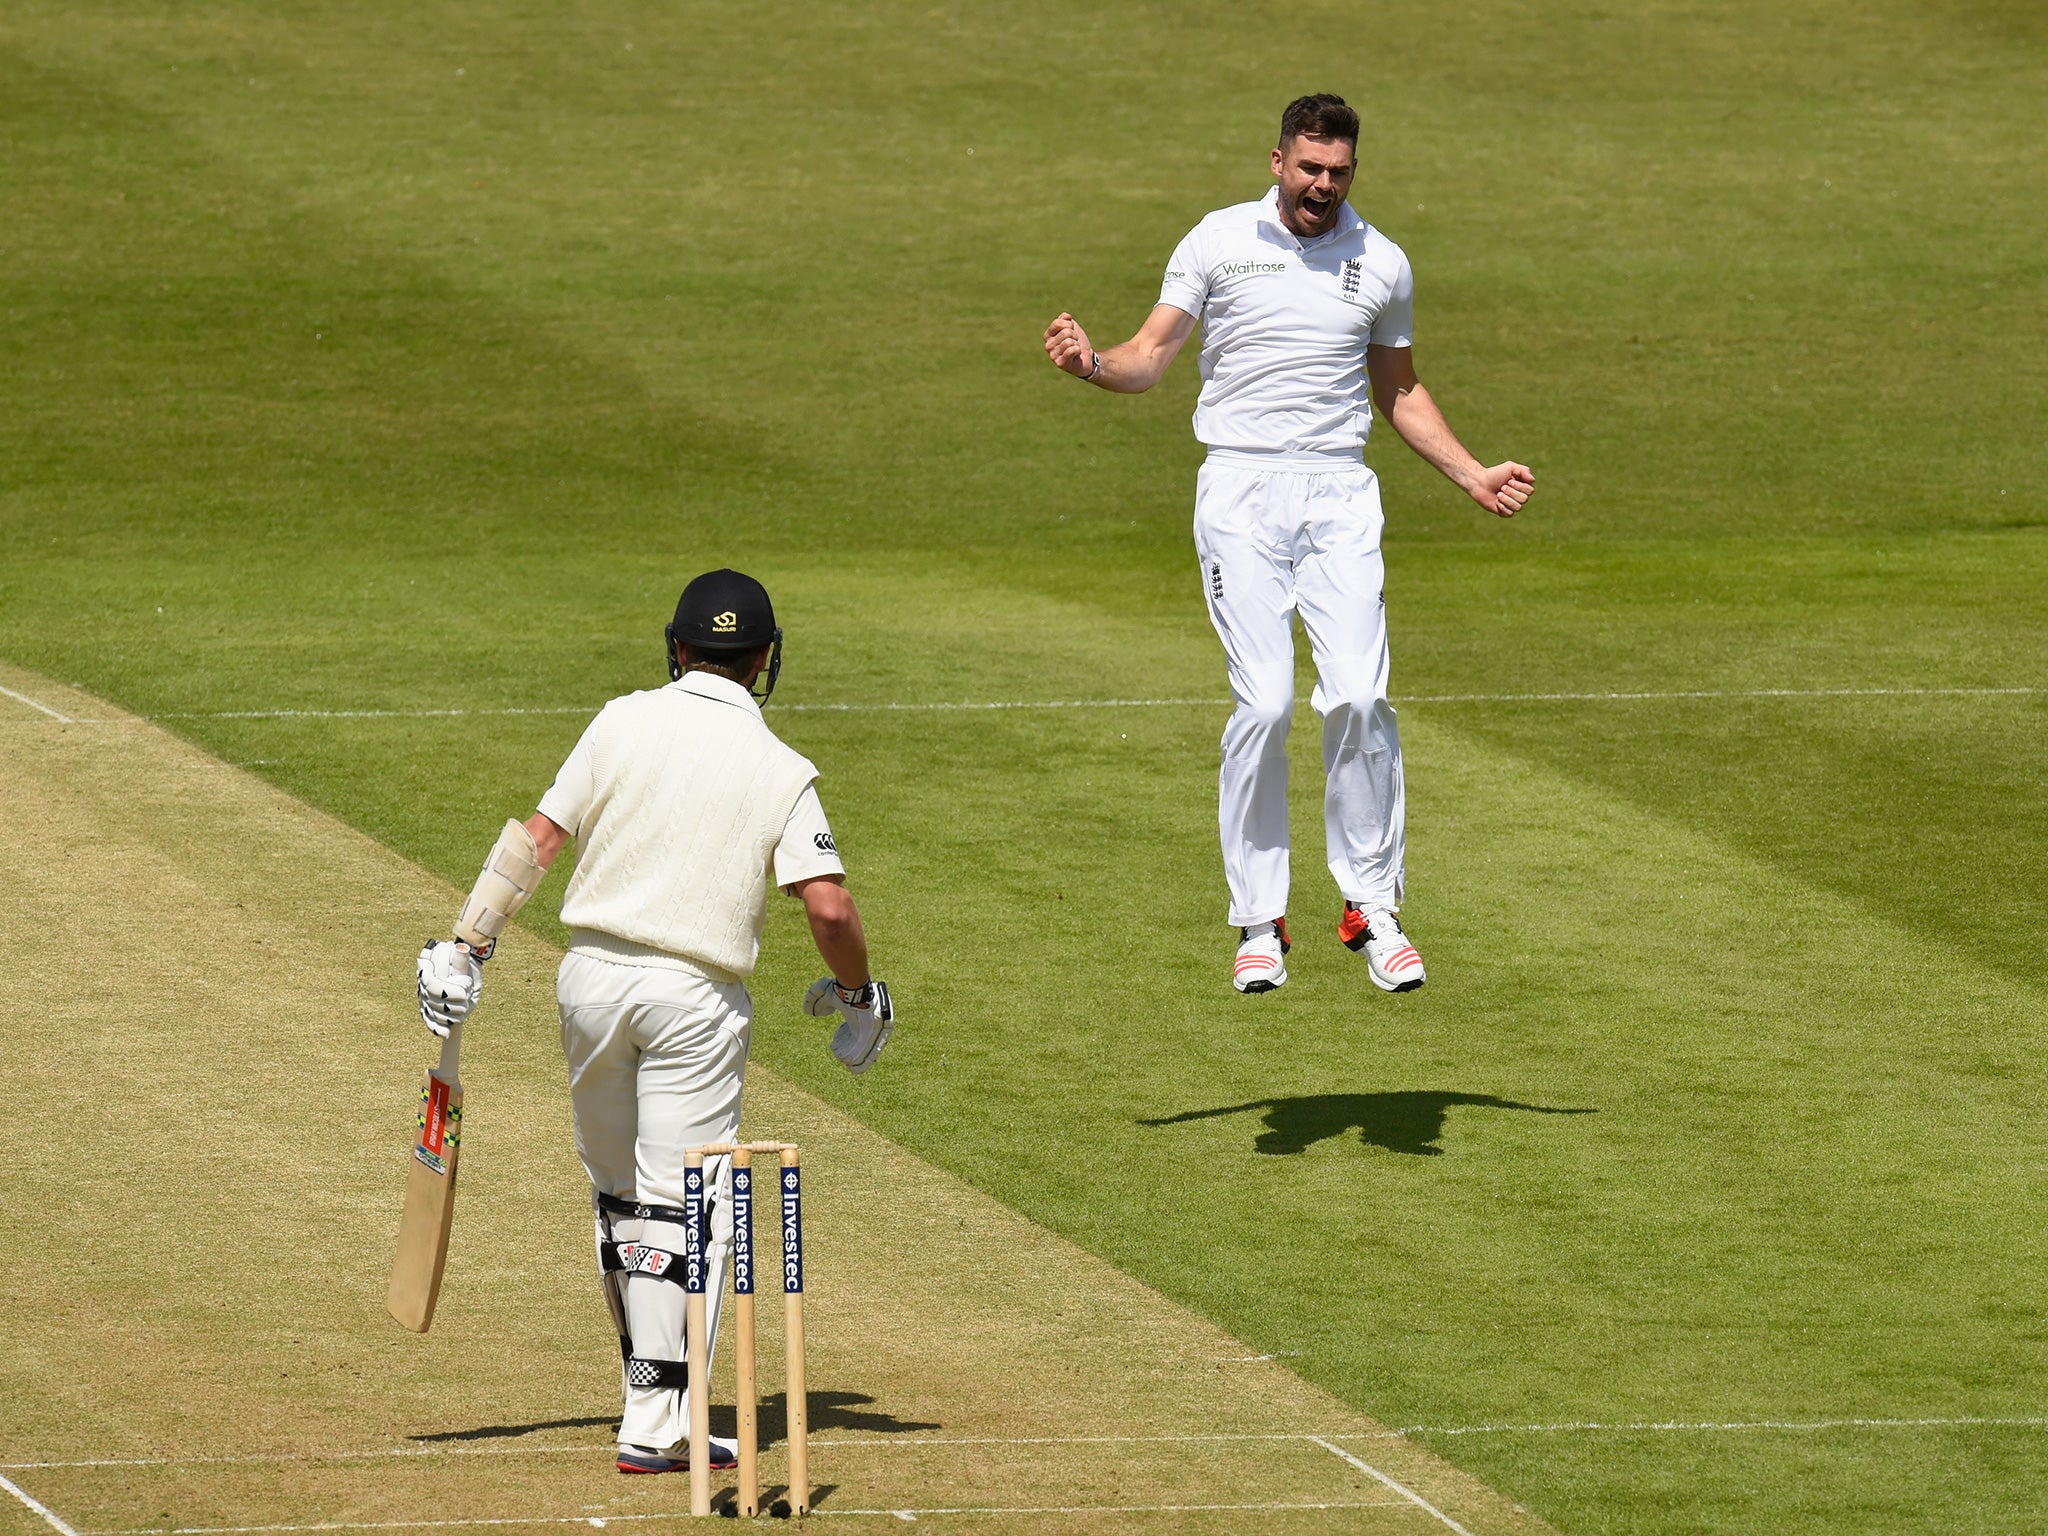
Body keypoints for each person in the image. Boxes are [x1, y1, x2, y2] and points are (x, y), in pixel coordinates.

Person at [1043, 93, 1533, 996]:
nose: (1324, 185)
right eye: (1310, 168)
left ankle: (1371, 906)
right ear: (1277, 162)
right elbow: (1152, 354)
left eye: (1339, 171)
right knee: (1264, 706)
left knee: (1358, 696)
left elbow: (1400, 389)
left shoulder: (1381, 261)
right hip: (1241, 489)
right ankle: (1259, 920)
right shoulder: (1217, 240)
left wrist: (1469, 473)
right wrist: (1094, 365)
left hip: (1341, 492)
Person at [413, 568, 895, 1474]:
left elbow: (538, 840)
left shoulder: (620, 719)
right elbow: (827, 908)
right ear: (763, 663)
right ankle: (659, 1420)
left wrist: (464, 946)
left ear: (678, 648)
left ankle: (651, 1402)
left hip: (589, 982)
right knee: (687, 1209)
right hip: (694, 1001)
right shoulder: (781, 768)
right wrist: (862, 994)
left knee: (622, 1201)